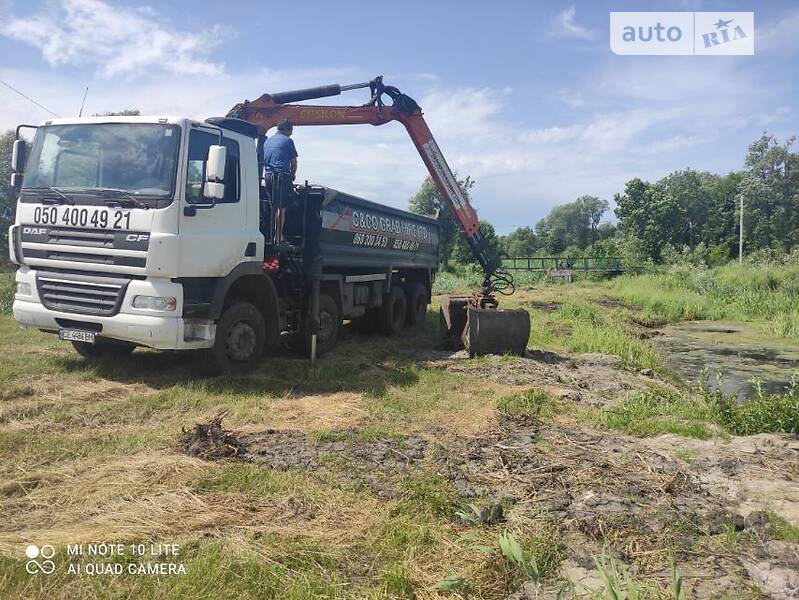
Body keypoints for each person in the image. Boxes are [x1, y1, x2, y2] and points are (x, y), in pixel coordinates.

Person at [263, 119, 298, 244]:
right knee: (282, 208)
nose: (292, 134)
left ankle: (269, 234)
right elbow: (293, 163)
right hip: (281, 176)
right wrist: (293, 176)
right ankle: (278, 237)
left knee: (273, 206)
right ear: (287, 129)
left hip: (267, 176)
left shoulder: (267, 141)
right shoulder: (288, 141)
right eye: (291, 130)